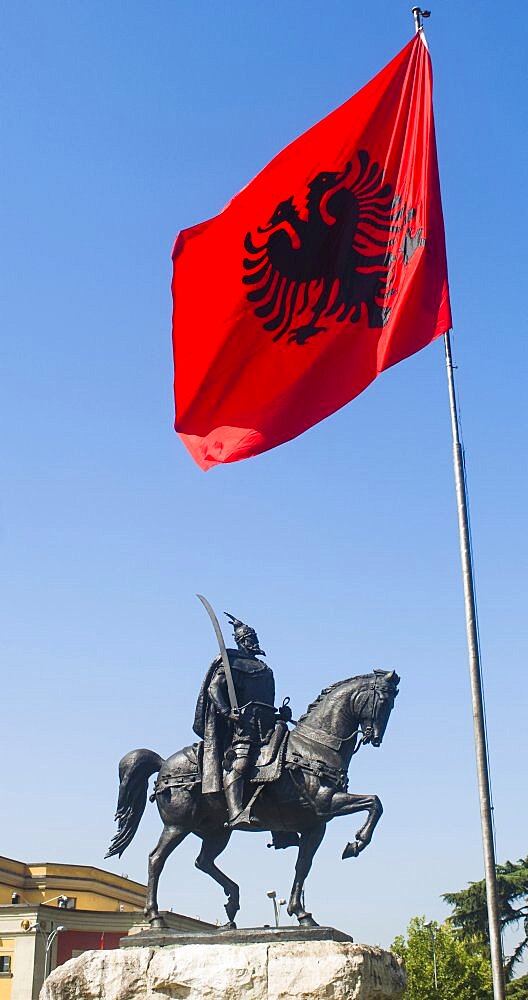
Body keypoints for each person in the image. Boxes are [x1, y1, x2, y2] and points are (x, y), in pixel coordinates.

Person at [193, 613, 291, 828]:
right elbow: (214, 689)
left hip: (266, 726)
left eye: (254, 639)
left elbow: (264, 703)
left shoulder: (266, 669)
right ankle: (236, 811)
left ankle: (283, 823)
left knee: (288, 759)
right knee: (241, 762)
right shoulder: (232, 664)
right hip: (242, 727)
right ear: (241, 642)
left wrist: (280, 715)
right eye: (249, 639)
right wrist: (227, 711)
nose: (253, 643)